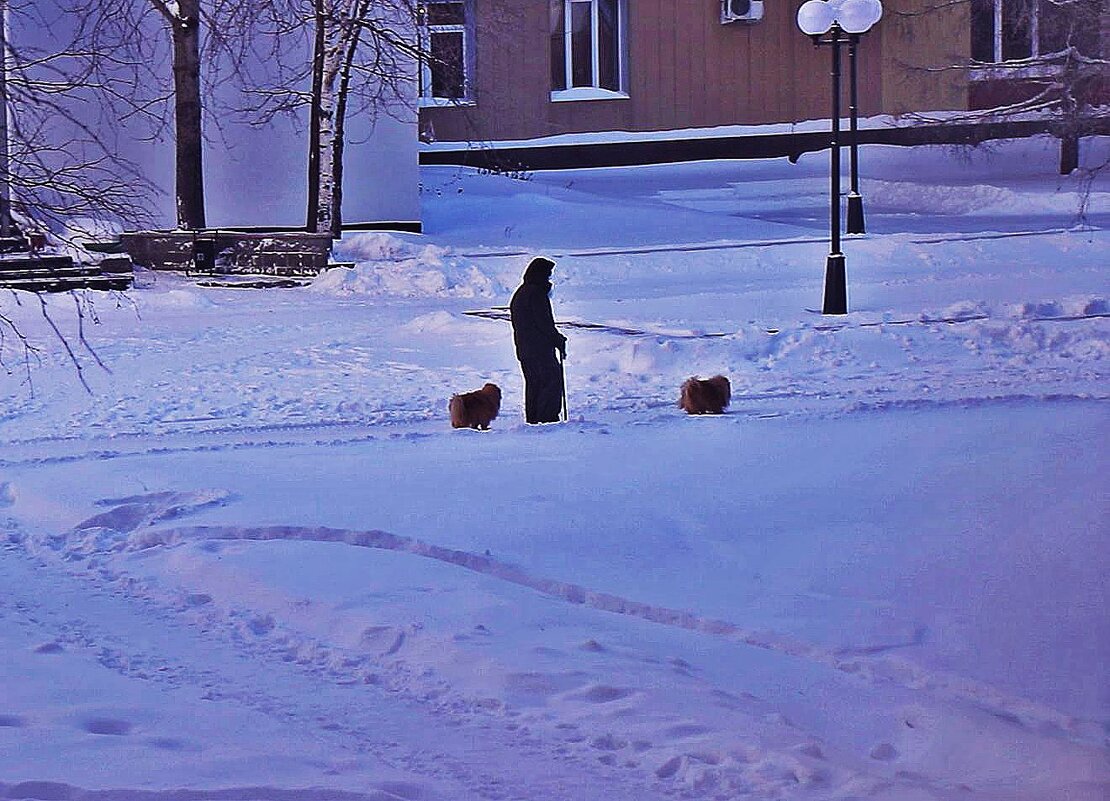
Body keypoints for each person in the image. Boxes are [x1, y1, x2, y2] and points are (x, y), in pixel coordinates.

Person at [509, 257, 567, 424]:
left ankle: (534, 419)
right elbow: (544, 323)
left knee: (534, 384)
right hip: (539, 350)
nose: (549, 279)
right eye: (548, 275)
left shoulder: (521, 293)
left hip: (525, 349)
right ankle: (546, 419)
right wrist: (558, 339)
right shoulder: (535, 294)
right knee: (550, 382)